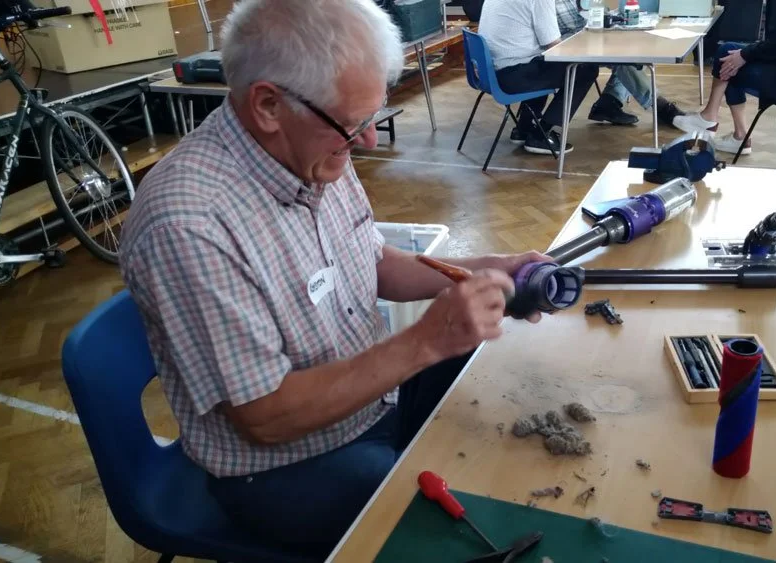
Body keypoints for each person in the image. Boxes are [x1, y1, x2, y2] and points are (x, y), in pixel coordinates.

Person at [118, 0, 549, 557]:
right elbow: (265, 418)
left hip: (372, 404)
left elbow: (374, 263)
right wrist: (426, 341)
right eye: (353, 125)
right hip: (282, 467)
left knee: (501, 397)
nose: (367, 141)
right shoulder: (188, 224)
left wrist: (487, 269)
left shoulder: (312, 147)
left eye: (370, 118)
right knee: (466, 525)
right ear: (268, 105)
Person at [671, 0, 776, 156]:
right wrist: (745, 54)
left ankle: (729, 129)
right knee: (731, 53)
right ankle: (715, 121)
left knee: (729, 58)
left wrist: (744, 55)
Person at [478, 0, 600, 155]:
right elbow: (554, 46)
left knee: (541, 61)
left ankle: (524, 128)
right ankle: (543, 134)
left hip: (490, 74)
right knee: (586, 69)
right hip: (513, 76)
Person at [555, 0, 686, 128]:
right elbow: (571, 30)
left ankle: (609, 103)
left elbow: (591, 13)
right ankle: (661, 107)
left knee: (634, 49)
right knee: (625, 59)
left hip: (588, 39)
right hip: (569, 47)